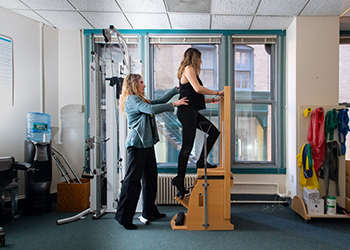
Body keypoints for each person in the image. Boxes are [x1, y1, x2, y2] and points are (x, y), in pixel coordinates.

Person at [115, 73, 188, 230]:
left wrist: (175, 90)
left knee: (150, 179)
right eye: (141, 82)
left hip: (146, 144)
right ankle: (123, 217)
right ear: (134, 84)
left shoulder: (140, 99)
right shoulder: (132, 99)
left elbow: (158, 102)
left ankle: (149, 211)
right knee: (132, 182)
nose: (144, 85)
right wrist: (174, 104)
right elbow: (150, 109)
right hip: (137, 144)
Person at [171, 48, 224, 199]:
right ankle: (179, 181)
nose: (201, 61)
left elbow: (196, 97)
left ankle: (201, 161)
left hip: (192, 112)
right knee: (187, 147)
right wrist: (216, 92)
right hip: (187, 113)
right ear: (194, 58)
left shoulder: (191, 72)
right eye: (200, 58)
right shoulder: (189, 69)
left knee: (213, 132)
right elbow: (198, 89)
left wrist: (214, 99)